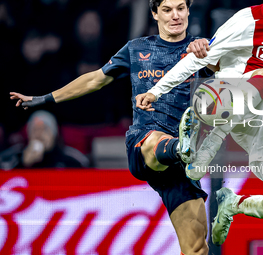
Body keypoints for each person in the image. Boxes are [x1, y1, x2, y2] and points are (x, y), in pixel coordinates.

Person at [10, 0, 216, 254]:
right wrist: (46, 97)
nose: (175, 15)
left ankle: (182, 149)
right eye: (167, 9)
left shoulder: (202, 49)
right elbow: (94, 80)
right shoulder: (137, 48)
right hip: (145, 143)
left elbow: (234, 76)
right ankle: (181, 146)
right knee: (157, 140)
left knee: (197, 248)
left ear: (188, 10)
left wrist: (210, 54)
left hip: (179, 165)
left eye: (181, 8)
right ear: (154, 14)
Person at [135, 0, 263, 246]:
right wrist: (156, 91)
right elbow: (199, 59)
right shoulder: (246, 21)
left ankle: (233, 203)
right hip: (218, 101)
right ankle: (210, 140)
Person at [0, 110, 89, 170]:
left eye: (45, 129)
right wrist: (24, 165)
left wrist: (47, 158)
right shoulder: (15, 157)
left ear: (54, 134)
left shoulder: (70, 159)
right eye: (35, 129)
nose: (39, 134)